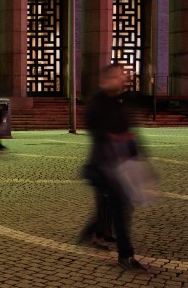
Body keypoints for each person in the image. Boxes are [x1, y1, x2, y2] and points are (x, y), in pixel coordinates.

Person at [77, 63, 146, 272]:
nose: (122, 79)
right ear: (105, 80)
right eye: (117, 76)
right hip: (103, 165)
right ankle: (125, 254)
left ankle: (92, 231)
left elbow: (128, 129)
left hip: (118, 164)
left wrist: (136, 152)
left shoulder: (119, 101)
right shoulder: (96, 103)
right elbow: (94, 129)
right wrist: (113, 136)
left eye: (123, 76)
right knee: (119, 206)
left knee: (111, 205)